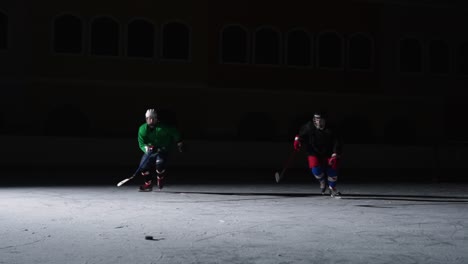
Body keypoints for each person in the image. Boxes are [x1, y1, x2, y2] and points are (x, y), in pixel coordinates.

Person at [293, 111, 343, 197]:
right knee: (316, 170)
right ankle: (322, 181)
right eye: (316, 119)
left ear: (325, 120)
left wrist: (335, 153)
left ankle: (332, 187)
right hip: (313, 150)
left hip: (329, 151)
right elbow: (301, 135)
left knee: (333, 169)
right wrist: (298, 140)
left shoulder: (333, 129)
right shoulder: (308, 126)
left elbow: (337, 141)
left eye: (321, 119)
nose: (318, 122)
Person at [137, 109, 184, 191]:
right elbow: (141, 144)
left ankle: (160, 177)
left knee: (160, 165)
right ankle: (148, 184)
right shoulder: (142, 129)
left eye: (153, 118)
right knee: (143, 167)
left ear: (156, 118)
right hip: (150, 152)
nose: (151, 120)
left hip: (162, 150)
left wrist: (179, 143)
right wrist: (147, 148)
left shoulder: (164, 127)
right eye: (149, 118)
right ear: (146, 119)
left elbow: (175, 132)